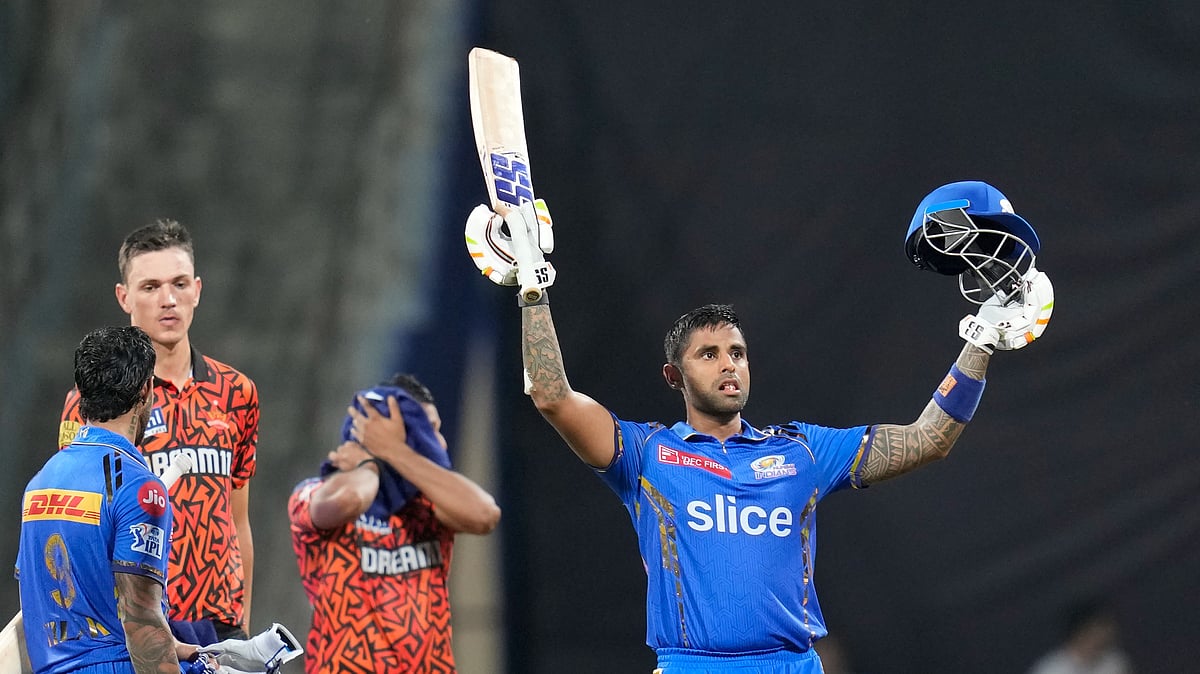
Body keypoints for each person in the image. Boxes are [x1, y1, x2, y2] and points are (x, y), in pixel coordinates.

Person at [464, 182, 1055, 673]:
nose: (729, 364)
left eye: (738, 352)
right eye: (710, 354)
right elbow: (550, 395)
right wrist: (532, 289)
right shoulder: (644, 455)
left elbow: (928, 440)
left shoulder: (802, 451)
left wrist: (981, 343)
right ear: (675, 375)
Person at [58, 219, 259, 643]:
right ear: (123, 296)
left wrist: (243, 628)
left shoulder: (237, 392)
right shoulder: (90, 402)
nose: (168, 300)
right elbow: (77, 525)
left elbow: (237, 517)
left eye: (180, 284)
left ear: (198, 290)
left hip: (219, 627)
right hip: (138, 626)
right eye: (150, 287)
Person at [288, 373, 501, 674]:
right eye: (427, 430)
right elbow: (349, 500)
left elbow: (485, 515)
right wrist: (371, 458)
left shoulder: (429, 505)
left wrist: (395, 451)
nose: (438, 442)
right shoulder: (311, 493)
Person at [17, 325, 193, 673]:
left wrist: (178, 649)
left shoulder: (39, 483)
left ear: (83, 392)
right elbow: (140, 622)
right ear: (146, 389)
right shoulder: (141, 490)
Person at [1026, 598, 1132, 674]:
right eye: (1101, 629)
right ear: (1082, 632)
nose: (1108, 636)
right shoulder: (1051, 670)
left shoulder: (1114, 663)